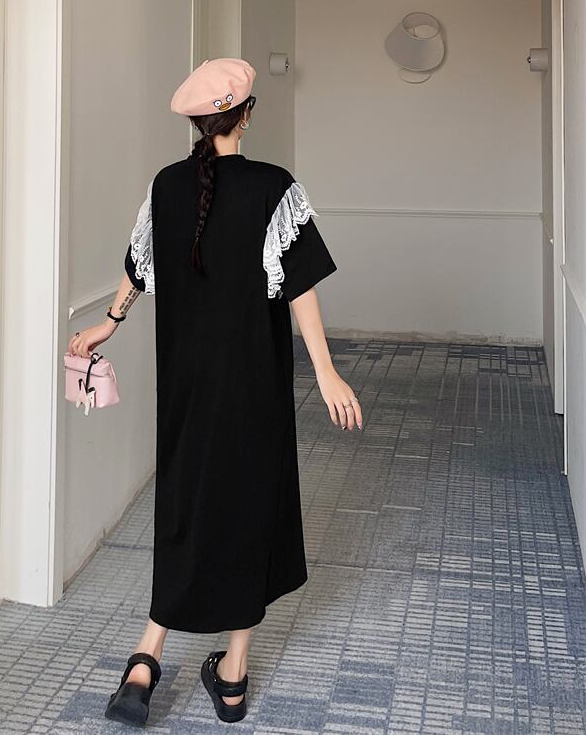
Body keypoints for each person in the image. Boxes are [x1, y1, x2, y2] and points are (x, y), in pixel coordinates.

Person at [68, 57, 362, 728]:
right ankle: (232, 674)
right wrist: (325, 369)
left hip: (185, 385)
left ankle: (145, 659)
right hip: (253, 385)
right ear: (245, 115)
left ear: (196, 123)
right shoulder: (273, 186)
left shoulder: (166, 185)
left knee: (185, 503)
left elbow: (138, 267)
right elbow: (300, 285)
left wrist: (108, 322)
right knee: (248, 508)